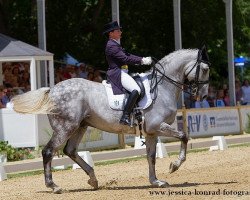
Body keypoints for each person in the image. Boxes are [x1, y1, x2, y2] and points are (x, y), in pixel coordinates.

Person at [103, 21, 152, 125]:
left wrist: (142, 59)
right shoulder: (111, 45)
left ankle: (136, 111)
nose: (120, 32)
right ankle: (125, 116)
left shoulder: (116, 44)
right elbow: (125, 58)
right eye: (118, 30)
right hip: (117, 73)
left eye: (120, 30)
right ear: (111, 33)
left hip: (123, 72)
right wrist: (142, 61)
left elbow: (128, 55)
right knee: (136, 90)